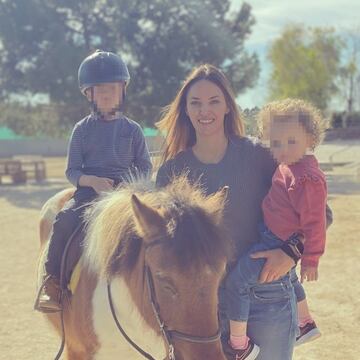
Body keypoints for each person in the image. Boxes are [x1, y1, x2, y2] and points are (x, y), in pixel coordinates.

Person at [155, 64, 300, 360]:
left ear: (227, 107)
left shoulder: (261, 156)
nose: (204, 110)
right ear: (184, 109)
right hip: (200, 310)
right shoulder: (172, 171)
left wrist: (292, 252)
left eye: (213, 101)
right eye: (195, 102)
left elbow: (318, 211)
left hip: (266, 296)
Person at [36, 50, 152, 312]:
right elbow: (72, 171)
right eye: (100, 89)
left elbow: (144, 165)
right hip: (91, 191)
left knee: (155, 228)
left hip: (126, 192)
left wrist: (130, 185)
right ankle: (53, 282)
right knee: (65, 220)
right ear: (89, 94)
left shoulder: (132, 130)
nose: (107, 94)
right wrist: (92, 181)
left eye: (112, 88)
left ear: (123, 90)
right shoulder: (82, 130)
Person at [225, 99, 328, 358]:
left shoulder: (306, 178)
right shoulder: (289, 166)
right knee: (289, 278)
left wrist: (309, 258)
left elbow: (316, 222)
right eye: (276, 143)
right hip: (272, 234)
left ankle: (239, 344)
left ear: (310, 139)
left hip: (275, 241)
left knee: (237, 282)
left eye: (291, 141)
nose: (283, 149)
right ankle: (304, 323)